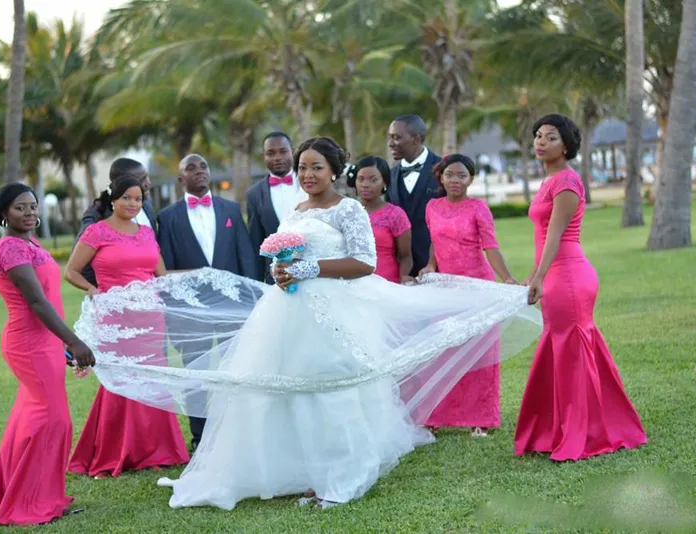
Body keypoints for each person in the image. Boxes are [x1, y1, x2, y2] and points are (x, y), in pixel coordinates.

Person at [76, 136, 542, 511]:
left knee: (330, 386)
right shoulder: (295, 210)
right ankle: (293, 470)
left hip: (333, 310)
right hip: (287, 309)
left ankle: (340, 476)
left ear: (334, 171)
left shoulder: (348, 208)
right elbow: (290, 254)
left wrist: (311, 269)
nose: (307, 175)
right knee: (279, 388)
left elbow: (362, 261)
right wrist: (285, 270)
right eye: (302, 168)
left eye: (316, 167)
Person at [515, 114, 647, 461]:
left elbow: (556, 236)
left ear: (567, 146)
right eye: (538, 136)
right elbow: (541, 237)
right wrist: (533, 273)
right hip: (553, 272)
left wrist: (541, 277)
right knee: (561, 349)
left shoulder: (568, 182)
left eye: (551, 137)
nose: (541, 142)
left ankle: (583, 432)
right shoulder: (547, 181)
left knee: (571, 351)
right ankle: (555, 429)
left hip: (569, 277)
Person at [0, 183, 95, 526]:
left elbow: (48, 302)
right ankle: (27, 504)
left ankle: (33, 497)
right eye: (21, 208)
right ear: (4, 214)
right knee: (52, 420)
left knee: (30, 420)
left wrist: (61, 346)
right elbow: (36, 303)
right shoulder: (11, 249)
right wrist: (74, 342)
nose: (30, 213)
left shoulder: (28, 243)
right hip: (28, 343)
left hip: (45, 342)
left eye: (33, 206)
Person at [64, 175, 190, 478]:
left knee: (153, 377)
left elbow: (161, 274)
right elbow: (71, 271)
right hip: (118, 319)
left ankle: (161, 449)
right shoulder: (97, 232)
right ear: (113, 199)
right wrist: (94, 290)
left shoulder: (147, 233)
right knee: (122, 379)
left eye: (138, 199)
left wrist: (198, 275)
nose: (133, 204)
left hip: (150, 317)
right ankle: (117, 450)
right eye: (126, 198)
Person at [156, 153, 257, 450]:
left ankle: (238, 431)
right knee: (195, 376)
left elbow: (246, 257)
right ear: (180, 179)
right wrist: (177, 313)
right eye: (190, 167)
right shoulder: (168, 217)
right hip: (192, 312)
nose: (198, 171)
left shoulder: (231, 209)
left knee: (238, 369)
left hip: (233, 307)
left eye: (203, 166)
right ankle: (200, 438)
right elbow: (167, 273)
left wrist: (250, 303)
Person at [419, 154, 518, 437]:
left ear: (471, 179)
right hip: (445, 291)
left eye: (462, 175)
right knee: (444, 352)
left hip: (477, 289)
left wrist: (507, 278)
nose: (455, 180)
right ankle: (437, 416)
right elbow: (435, 244)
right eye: (450, 174)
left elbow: (491, 247)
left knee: (481, 355)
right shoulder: (432, 207)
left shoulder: (479, 208)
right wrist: (429, 265)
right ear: (441, 177)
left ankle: (481, 419)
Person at [75, 158, 157, 287]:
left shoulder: (146, 206)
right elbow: (81, 264)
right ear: (122, 182)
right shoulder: (96, 215)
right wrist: (107, 287)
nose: (148, 183)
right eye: (142, 179)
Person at [386, 114, 444, 276]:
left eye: (396, 138)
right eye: (389, 138)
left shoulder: (444, 170)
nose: (390, 143)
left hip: (439, 264)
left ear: (416, 139)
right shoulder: (390, 175)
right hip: (402, 268)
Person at [246, 132, 304, 283]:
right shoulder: (254, 194)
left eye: (283, 151)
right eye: (270, 153)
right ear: (263, 156)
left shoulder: (308, 183)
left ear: (292, 151)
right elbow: (256, 242)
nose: (277, 157)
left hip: (311, 268)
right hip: (275, 276)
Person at [347, 156, 414, 283]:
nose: (365, 185)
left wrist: (403, 277)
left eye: (373, 180)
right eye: (361, 179)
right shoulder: (347, 211)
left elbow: (405, 256)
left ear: (384, 182)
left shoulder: (395, 214)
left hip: (386, 284)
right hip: (353, 283)